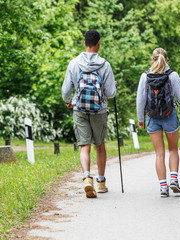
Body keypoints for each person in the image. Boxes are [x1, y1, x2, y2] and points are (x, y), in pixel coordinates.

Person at [62, 30, 117, 198]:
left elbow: (65, 90)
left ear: (84, 43)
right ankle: (101, 182)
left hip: (79, 109)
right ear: (98, 43)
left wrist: (68, 101)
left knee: (84, 146)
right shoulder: (105, 65)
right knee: (99, 146)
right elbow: (110, 93)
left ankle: (87, 178)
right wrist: (114, 86)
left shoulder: (74, 63)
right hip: (99, 110)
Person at [136, 48, 180, 198]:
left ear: (152, 59)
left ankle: (163, 187)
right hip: (169, 116)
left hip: (152, 117)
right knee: (173, 149)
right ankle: (174, 179)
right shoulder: (172, 75)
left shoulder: (145, 76)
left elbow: (140, 101)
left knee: (159, 154)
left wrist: (141, 119)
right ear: (166, 59)